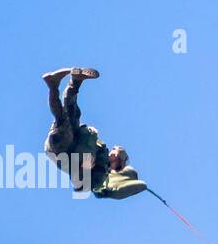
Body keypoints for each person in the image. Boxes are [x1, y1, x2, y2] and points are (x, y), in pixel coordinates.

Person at [42, 67, 148, 198]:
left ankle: (53, 86)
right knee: (72, 113)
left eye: (119, 154)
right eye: (116, 150)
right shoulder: (101, 148)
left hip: (62, 151)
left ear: (120, 163)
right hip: (73, 140)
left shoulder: (101, 174)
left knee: (63, 123)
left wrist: (85, 168)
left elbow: (82, 185)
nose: (115, 151)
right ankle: (75, 81)